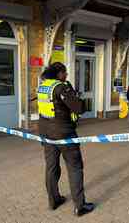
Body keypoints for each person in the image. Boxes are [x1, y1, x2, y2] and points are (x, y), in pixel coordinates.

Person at [37, 62, 95, 216]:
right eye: (65, 72)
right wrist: (76, 96)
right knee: (75, 167)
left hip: (46, 133)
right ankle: (79, 206)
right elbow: (79, 108)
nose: (67, 75)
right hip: (64, 134)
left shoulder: (43, 86)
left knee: (51, 167)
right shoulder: (61, 87)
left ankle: (53, 200)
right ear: (58, 73)